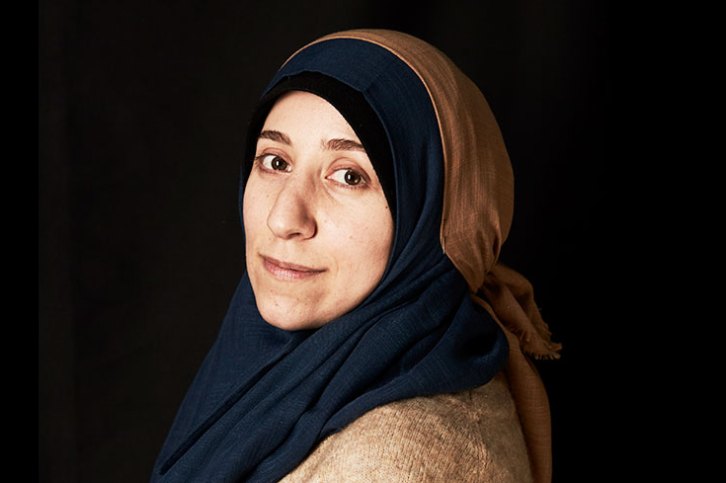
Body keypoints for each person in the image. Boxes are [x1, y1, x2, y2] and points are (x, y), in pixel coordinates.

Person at [151, 29, 560, 483]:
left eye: (349, 176)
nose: (284, 219)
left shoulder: (397, 462)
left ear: (429, 216)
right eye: (275, 161)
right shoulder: (269, 377)